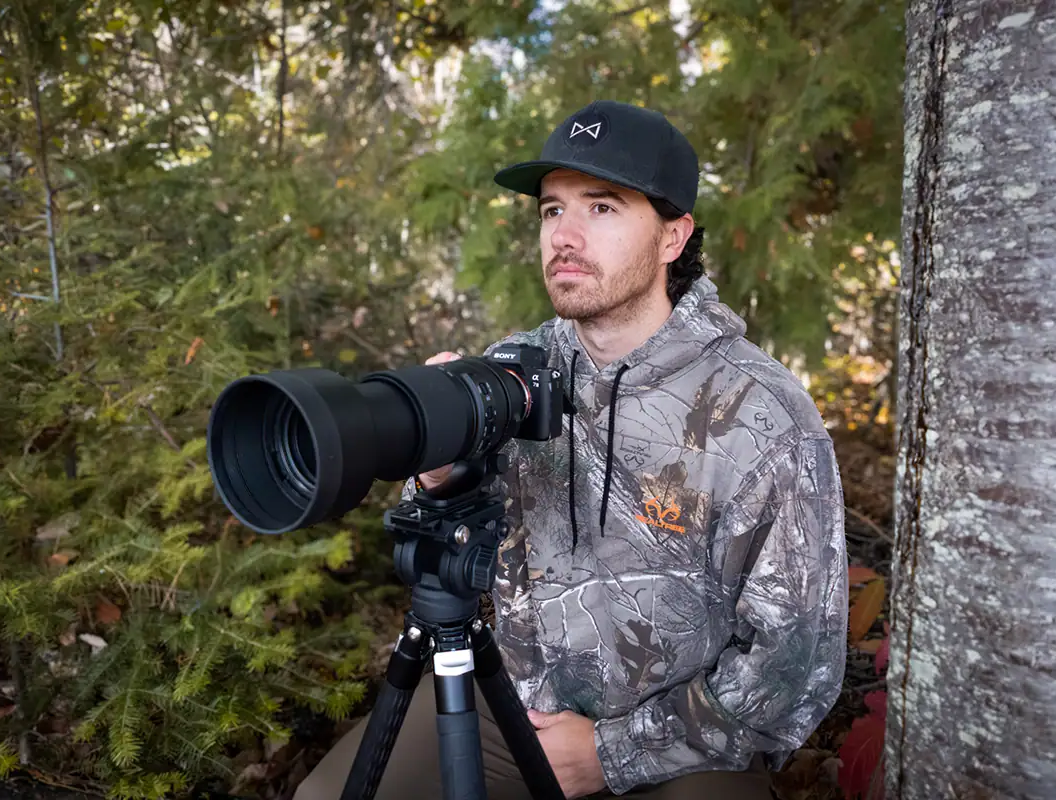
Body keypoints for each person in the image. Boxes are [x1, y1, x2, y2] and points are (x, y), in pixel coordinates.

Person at [295, 100, 848, 799]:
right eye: (552, 210)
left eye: (603, 207)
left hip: (686, 742)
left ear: (673, 236)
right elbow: (456, 553)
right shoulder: (511, 375)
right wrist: (439, 477)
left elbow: (791, 670)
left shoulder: (762, 415)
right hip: (519, 708)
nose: (565, 234)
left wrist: (611, 754)